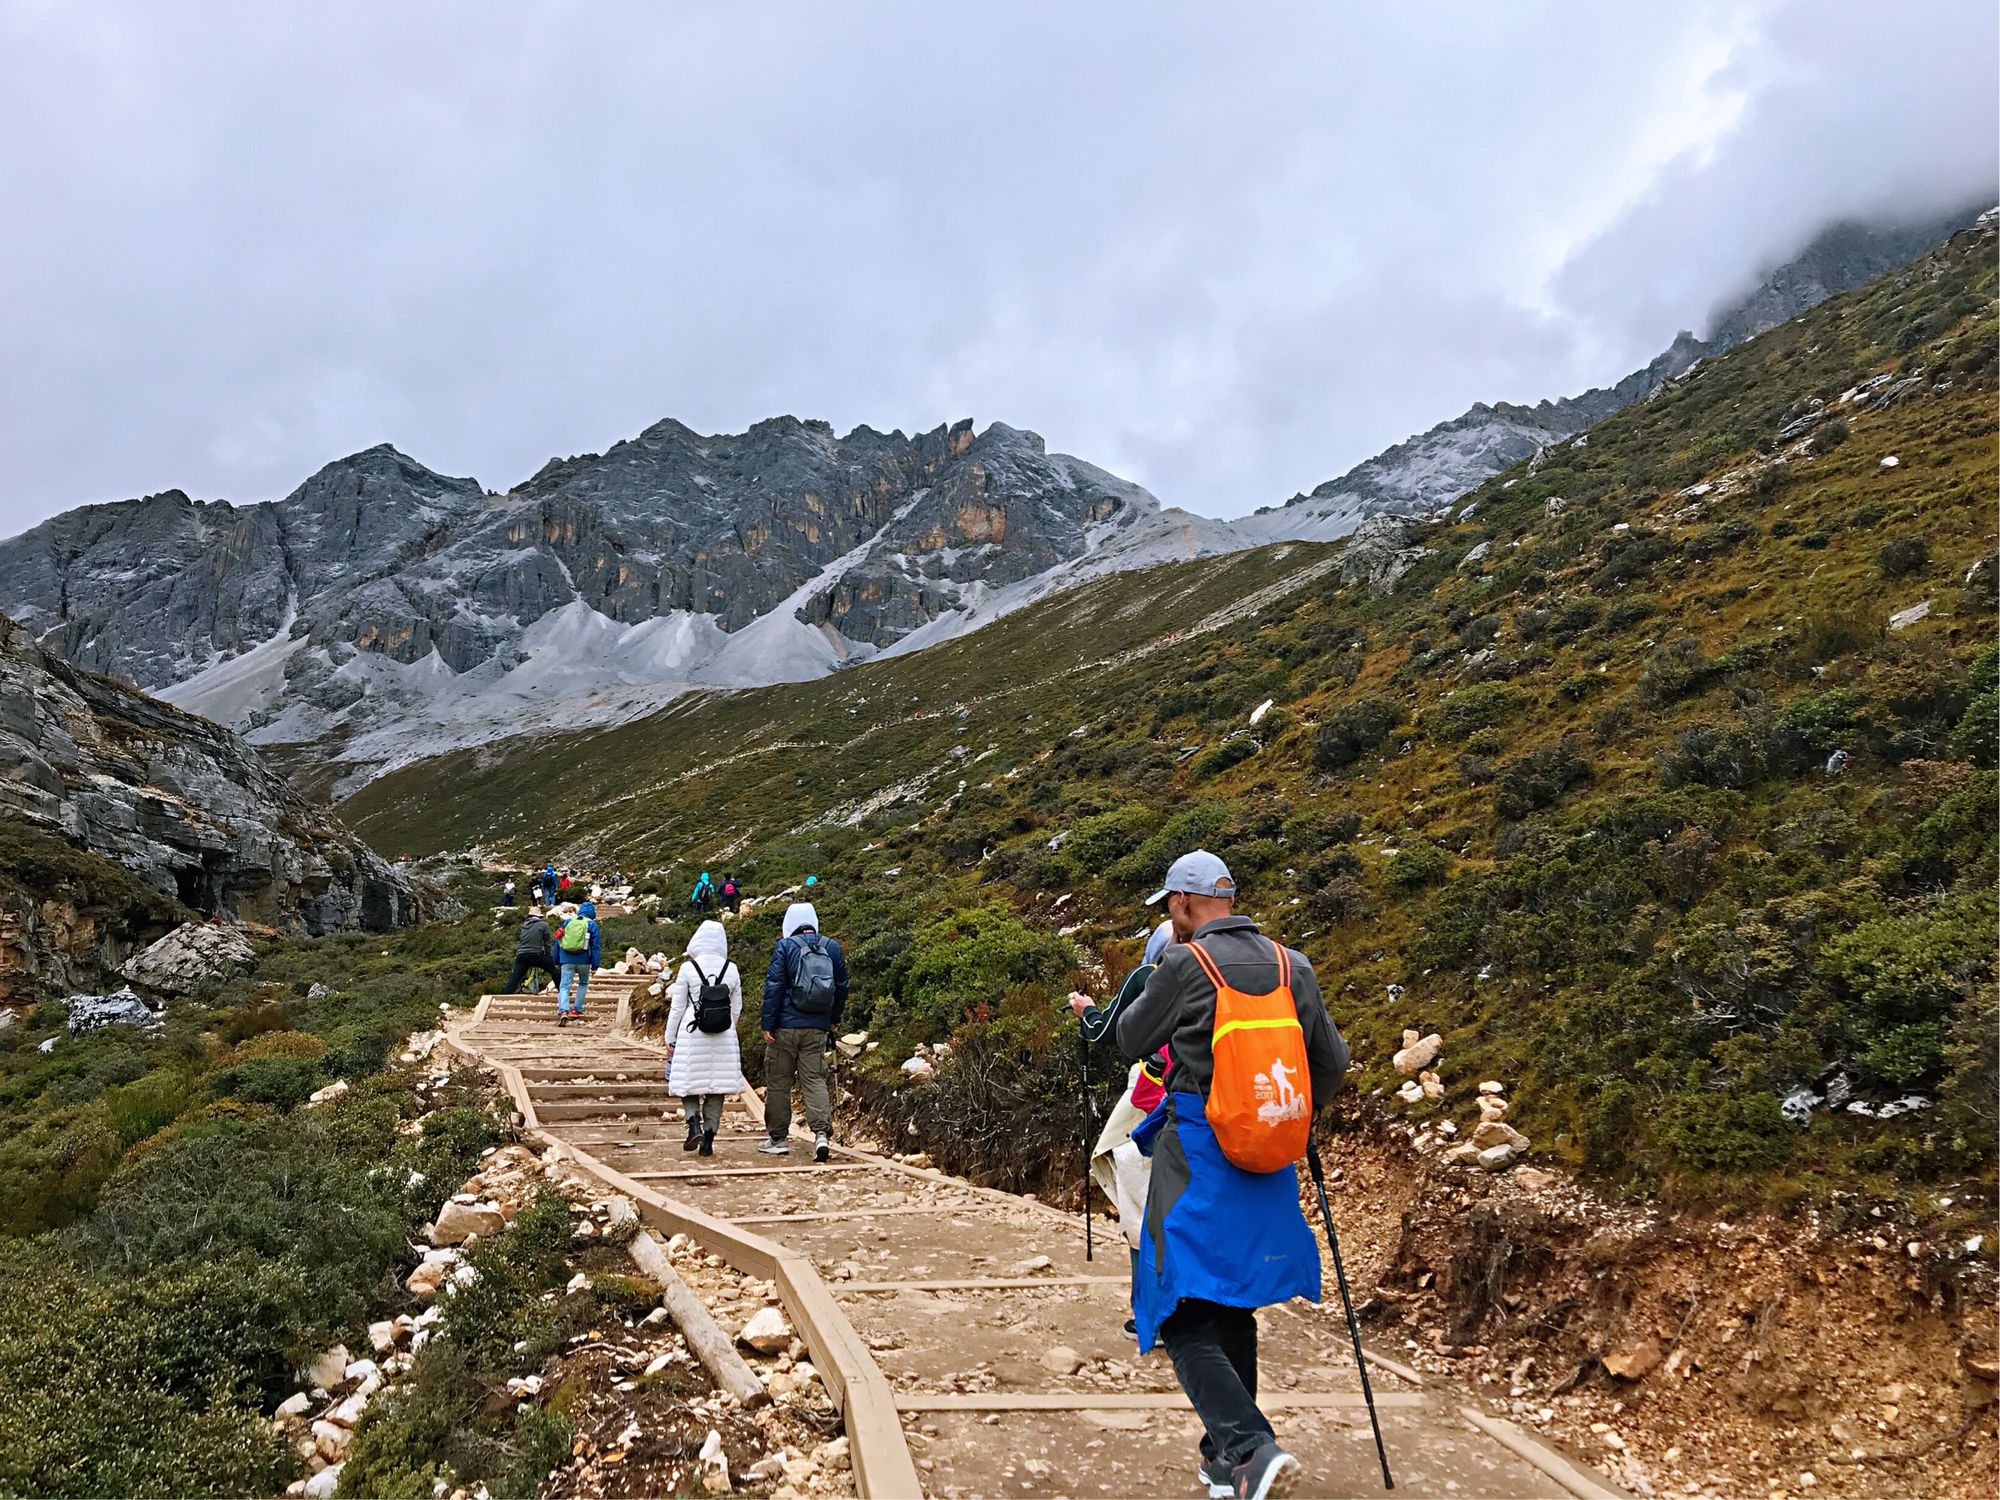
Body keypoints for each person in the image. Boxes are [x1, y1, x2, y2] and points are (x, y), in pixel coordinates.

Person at [1115, 850, 1349, 1500]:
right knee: (1234, 1299)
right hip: (1270, 1159)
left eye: (1169, 905)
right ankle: (1223, 1461)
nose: (1171, 914)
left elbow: (1130, 1039)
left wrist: (1152, 985)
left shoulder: (1186, 963)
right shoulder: (1290, 965)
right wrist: (1292, 1114)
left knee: (1176, 1305)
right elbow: (1332, 1063)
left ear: (1184, 904)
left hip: (1199, 1156)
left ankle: (1249, 1447)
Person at [758, 901, 848, 1161]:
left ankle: (778, 1139)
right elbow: (841, 987)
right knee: (814, 1079)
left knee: (779, 1081)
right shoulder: (831, 947)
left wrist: (768, 1024)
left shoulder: (784, 947)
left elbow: (774, 988)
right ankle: (820, 1135)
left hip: (784, 1027)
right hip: (816, 1027)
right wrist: (833, 1019)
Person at [663, 919, 745, 1157]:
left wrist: (670, 1037)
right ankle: (709, 1138)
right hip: (723, 1034)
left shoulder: (688, 968)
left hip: (691, 1031)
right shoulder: (732, 968)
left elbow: (677, 1007)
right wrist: (728, 1028)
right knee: (716, 1087)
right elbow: (737, 1007)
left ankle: (693, 1126)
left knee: (688, 1083)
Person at [554, 900, 601, 1023]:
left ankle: (563, 1010)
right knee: (583, 983)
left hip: (567, 958)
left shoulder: (568, 921)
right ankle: (576, 1010)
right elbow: (595, 946)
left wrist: (556, 959)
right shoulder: (592, 925)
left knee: (564, 985)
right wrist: (595, 964)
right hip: (584, 960)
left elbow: (558, 942)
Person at [502, 909, 558, 995]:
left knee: (515, 977)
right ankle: (562, 991)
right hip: (535, 954)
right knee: (554, 971)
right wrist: (549, 957)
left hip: (521, 955)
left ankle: (505, 995)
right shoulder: (544, 925)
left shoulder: (524, 926)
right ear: (539, 916)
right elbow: (547, 943)